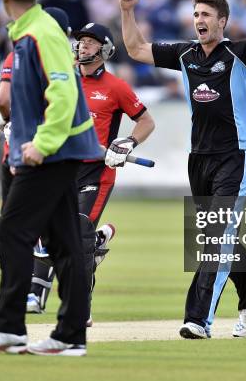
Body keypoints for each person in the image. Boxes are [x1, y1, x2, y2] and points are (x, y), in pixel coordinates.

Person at [119, 0, 246, 338]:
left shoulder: (239, 53)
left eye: (206, 14)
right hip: (199, 158)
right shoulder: (185, 54)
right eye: (196, 14)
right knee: (221, 235)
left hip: (235, 154)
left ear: (221, 21)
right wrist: (126, 11)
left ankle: (198, 319)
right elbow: (136, 49)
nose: (199, 19)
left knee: (216, 237)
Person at [0, 0, 101, 357]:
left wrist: (41, 144)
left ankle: (9, 328)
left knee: (13, 230)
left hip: (55, 151)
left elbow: (63, 96)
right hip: (55, 150)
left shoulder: (42, 34)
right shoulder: (30, 34)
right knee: (65, 243)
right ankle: (71, 336)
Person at [27, 22, 155, 318]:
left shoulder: (116, 87)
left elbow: (146, 121)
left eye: (91, 42)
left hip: (97, 172)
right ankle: (97, 243)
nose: (83, 45)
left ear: (105, 50)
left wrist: (127, 143)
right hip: (61, 168)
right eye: (81, 40)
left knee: (80, 234)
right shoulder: (62, 80)